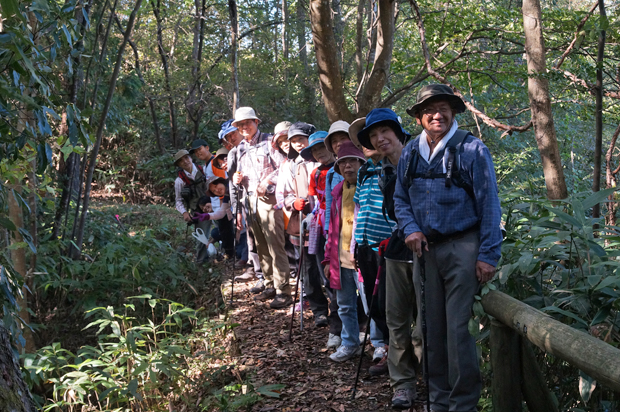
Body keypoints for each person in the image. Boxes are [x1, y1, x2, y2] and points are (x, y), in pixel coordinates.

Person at [394, 84, 502, 412]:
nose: (436, 114)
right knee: (429, 329)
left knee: (458, 332)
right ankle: (438, 402)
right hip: (424, 252)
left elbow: (489, 204)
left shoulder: (471, 149)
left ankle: (463, 405)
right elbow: (400, 198)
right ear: (419, 118)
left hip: (462, 248)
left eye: (442, 108)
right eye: (429, 110)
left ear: (453, 111)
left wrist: (488, 254)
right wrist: (409, 229)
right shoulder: (411, 151)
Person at [351, 108, 417, 404]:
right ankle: (402, 383)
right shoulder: (382, 171)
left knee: (427, 320)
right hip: (395, 252)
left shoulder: (420, 157)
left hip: (427, 253)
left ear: (398, 131)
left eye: (384, 132)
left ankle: (432, 378)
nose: (379, 139)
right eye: (373, 136)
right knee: (395, 317)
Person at [232, 107, 292, 309]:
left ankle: (284, 291)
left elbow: (283, 166)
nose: (244, 127)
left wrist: (267, 181)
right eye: (240, 125)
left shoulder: (269, 142)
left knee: (275, 245)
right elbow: (239, 176)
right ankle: (269, 284)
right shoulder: (240, 148)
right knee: (261, 245)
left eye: (247, 122)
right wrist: (236, 179)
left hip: (269, 199)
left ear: (256, 122)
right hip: (250, 201)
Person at [323, 141, 367, 362]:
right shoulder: (338, 190)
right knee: (345, 305)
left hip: (364, 259)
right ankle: (350, 343)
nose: (348, 166)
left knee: (370, 305)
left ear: (361, 162)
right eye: (343, 163)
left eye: (352, 161)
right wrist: (327, 256)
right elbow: (332, 226)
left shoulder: (368, 186)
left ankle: (378, 344)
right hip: (340, 259)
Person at [173, 149, 211, 265]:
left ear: (191, 158)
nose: (185, 161)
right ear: (179, 165)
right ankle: (201, 263)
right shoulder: (180, 181)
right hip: (198, 212)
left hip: (214, 206)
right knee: (201, 239)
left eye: (186, 158)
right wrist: (184, 212)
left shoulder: (204, 170)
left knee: (224, 231)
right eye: (181, 161)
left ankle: (226, 255)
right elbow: (178, 200)